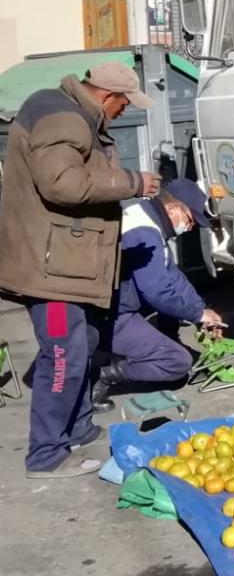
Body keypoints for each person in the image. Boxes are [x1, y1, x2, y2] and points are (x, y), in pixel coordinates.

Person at [0, 61, 161, 479]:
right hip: (51, 274)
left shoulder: (66, 110)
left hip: (65, 266)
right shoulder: (65, 119)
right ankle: (46, 455)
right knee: (62, 355)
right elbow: (62, 184)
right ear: (107, 96)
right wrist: (132, 182)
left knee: (83, 342)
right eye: (124, 103)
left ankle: (77, 427)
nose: (124, 111)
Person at [91, 178, 225, 413]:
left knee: (172, 307)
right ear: (173, 209)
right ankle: (101, 375)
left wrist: (201, 311)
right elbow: (158, 292)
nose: (190, 227)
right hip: (104, 314)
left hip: (115, 302)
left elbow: (173, 278)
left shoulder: (147, 217)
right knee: (177, 363)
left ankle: (145, 351)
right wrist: (197, 314)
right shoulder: (143, 232)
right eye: (190, 219)